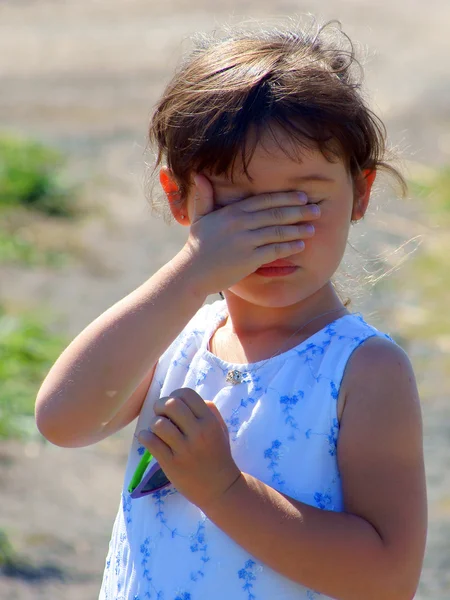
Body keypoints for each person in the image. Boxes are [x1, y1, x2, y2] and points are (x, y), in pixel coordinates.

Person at [35, 18, 427, 600]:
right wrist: (192, 271)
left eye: (305, 200)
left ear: (361, 193)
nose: (273, 231)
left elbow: (387, 578)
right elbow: (63, 420)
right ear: (180, 198)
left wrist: (223, 490)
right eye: (240, 203)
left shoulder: (364, 371)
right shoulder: (175, 333)